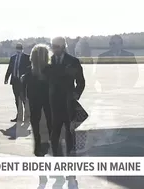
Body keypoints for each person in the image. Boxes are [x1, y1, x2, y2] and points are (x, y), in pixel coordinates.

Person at [43, 37, 85, 188]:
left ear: (64, 46)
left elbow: (81, 81)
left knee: (69, 136)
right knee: (54, 136)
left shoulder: (73, 61)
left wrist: (75, 94)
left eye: (57, 46)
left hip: (68, 105)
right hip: (52, 104)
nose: (55, 49)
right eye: (53, 46)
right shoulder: (48, 62)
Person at [21, 44, 52, 187]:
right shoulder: (53, 73)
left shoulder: (27, 76)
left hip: (36, 113)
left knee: (39, 140)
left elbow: (24, 96)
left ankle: (42, 171)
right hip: (51, 111)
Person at [4, 43, 31, 122]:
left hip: (23, 81)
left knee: (24, 99)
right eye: (17, 48)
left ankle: (27, 116)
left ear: (22, 49)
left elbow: (29, 69)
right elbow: (10, 68)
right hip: (15, 80)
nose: (18, 50)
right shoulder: (13, 57)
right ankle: (19, 115)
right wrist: (6, 78)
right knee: (17, 99)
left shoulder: (27, 57)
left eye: (19, 48)